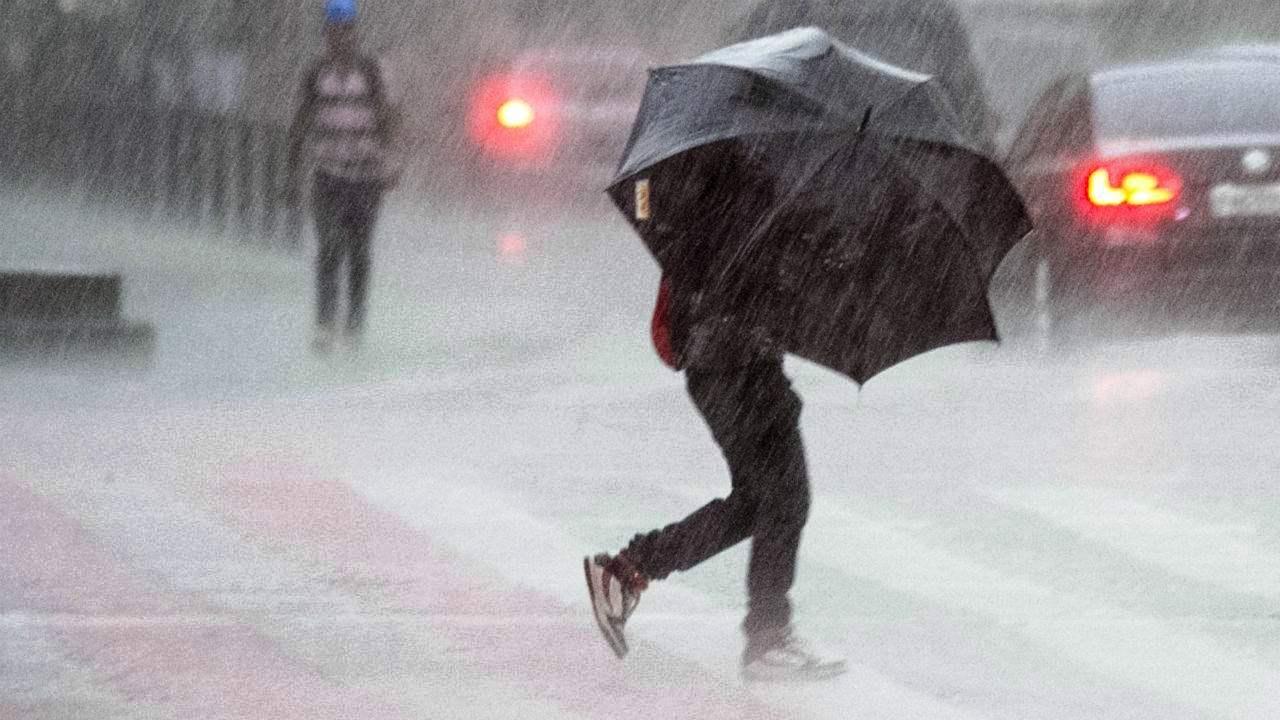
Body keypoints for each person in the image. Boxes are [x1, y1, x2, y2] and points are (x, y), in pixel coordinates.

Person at [584, 147, 847, 682]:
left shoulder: (726, 178)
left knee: (761, 503)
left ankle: (628, 570)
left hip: (727, 363)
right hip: (737, 365)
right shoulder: (749, 187)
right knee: (784, 499)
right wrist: (817, 244)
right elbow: (759, 279)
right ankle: (768, 639)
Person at [288, 0, 403, 353]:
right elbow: (301, 124)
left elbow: (390, 120)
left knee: (359, 253)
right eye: (335, 30)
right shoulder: (314, 74)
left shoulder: (372, 72)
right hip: (328, 176)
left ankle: (354, 326)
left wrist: (392, 161)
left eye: (347, 30)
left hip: (366, 179)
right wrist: (292, 174)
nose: (341, 37)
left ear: (355, 33)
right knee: (329, 248)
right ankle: (325, 324)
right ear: (326, 34)